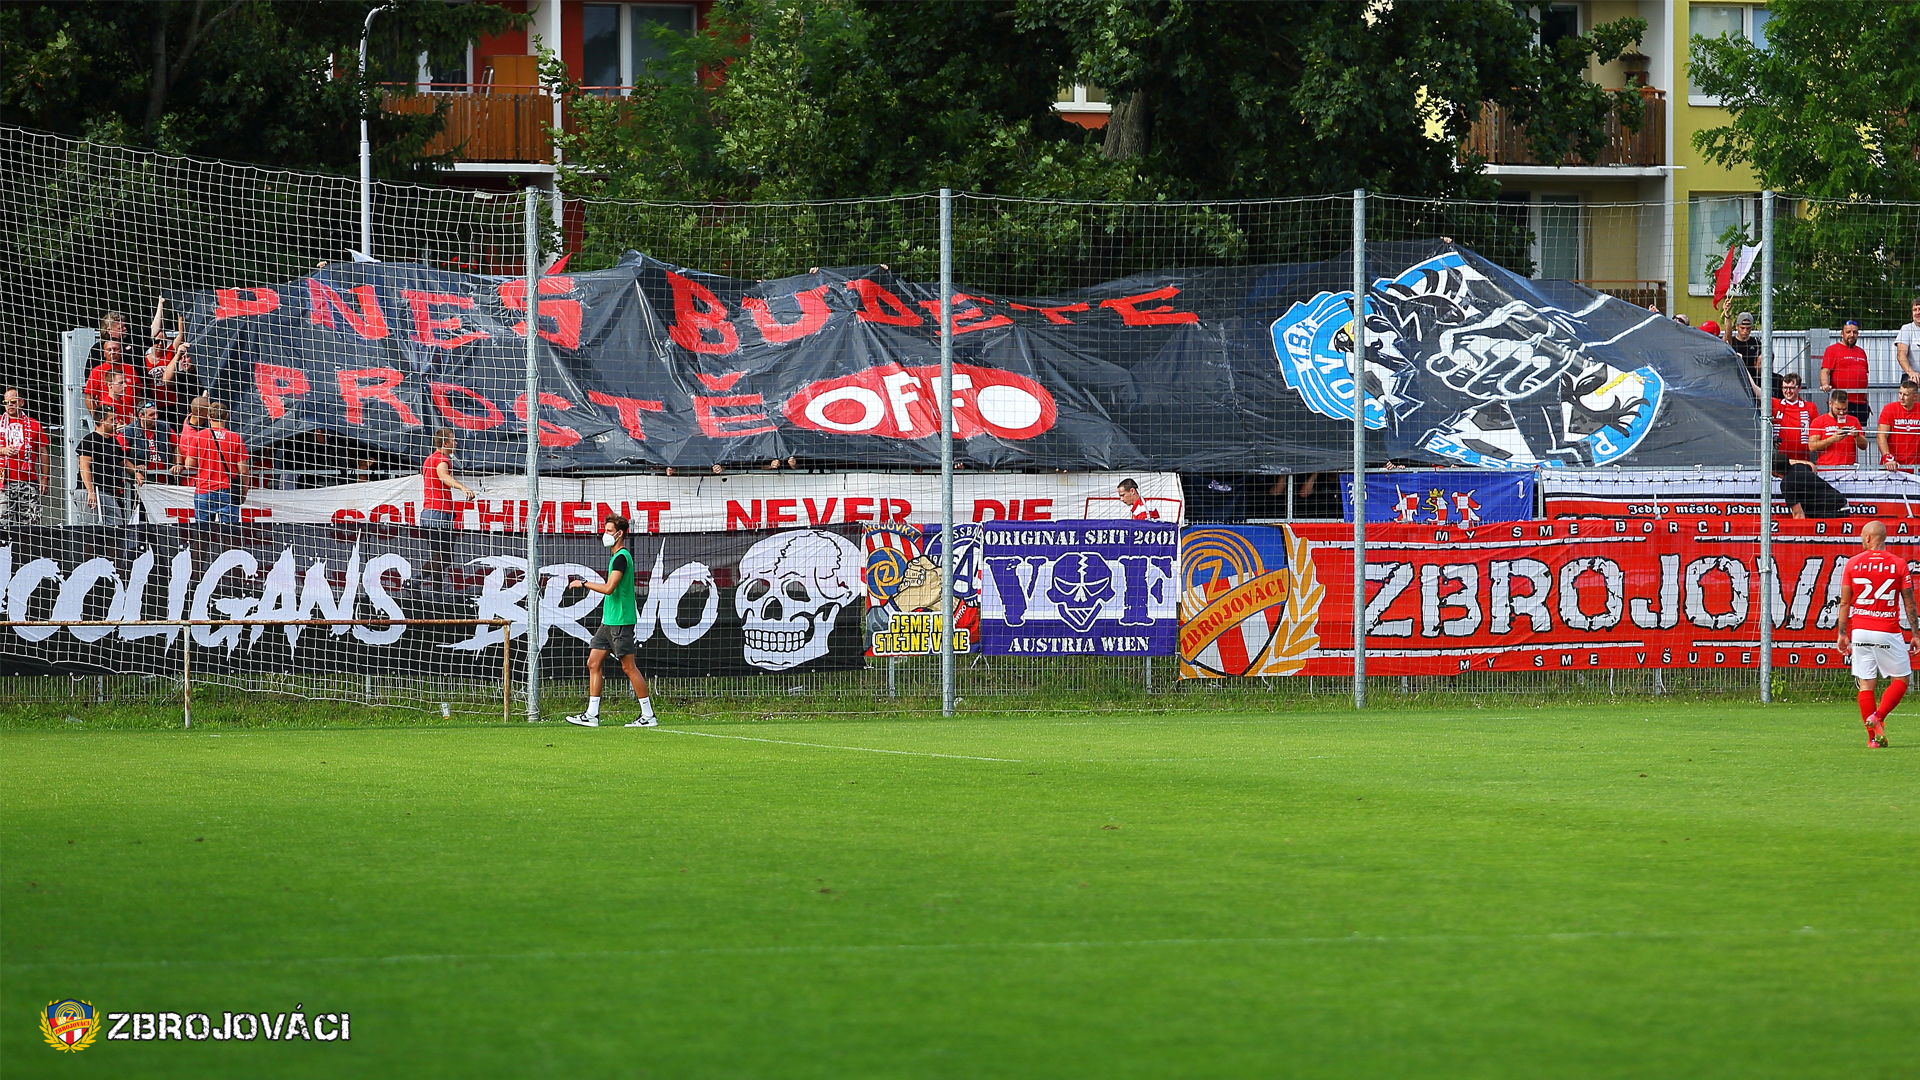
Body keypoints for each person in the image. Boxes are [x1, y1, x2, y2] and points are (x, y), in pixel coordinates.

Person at [564, 514, 657, 728]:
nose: (604, 534)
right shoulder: (615, 557)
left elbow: (609, 588)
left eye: (608, 530)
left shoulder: (622, 557)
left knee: (629, 668)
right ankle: (592, 715)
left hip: (620, 621)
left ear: (619, 533)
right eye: (605, 530)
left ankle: (648, 716)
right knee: (593, 662)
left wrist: (584, 583)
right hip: (609, 622)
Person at [1836, 519, 1915, 748]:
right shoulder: (1898, 563)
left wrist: (1842, 633)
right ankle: (1878, 717)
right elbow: (1909, 603)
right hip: (1887, 629)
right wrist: (1915, 633)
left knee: (1866, 683)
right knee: (1901, 678)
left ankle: (1872, 739)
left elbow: (1844, 602)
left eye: (1863, 536)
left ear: (1869, 538)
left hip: (1860, 630)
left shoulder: (1852, 564)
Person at [179, 400, 248, 524]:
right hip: (228, 491)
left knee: (203, 535)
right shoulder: (236, 438)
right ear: (226, 416)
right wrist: (243, 492)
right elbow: (243, 471)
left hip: (204, 490)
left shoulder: (199, 436)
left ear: (209, 417)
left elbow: (189, 465)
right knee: (231, 536)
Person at [73, 403, 132, 526]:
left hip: (108, 492)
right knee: (92, 532)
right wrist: (90, 491)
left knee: (116, 527)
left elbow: (123, 462)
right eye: (112, 419)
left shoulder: (113, 442)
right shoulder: (89, 441)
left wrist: (136, 472)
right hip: (91, 491)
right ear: (102, 421)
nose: (116, 422)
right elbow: (84, 467)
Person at [1, 387, 49, 527]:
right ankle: (4, 549)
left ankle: (28, 549)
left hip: (28, 481)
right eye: (6, 402)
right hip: (4, 483)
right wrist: (2, 450)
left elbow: (43, 452)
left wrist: (45, 477)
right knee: (3, 524)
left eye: (13, 401)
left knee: (31, 524)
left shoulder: (34, 424)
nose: (9, 405)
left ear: (21, 403)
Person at [143, 298, 195, 422]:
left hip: (172, 403)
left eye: (163, 341)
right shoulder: (144, 360)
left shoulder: (169, 353)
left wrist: (180, 316)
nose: (160, 344)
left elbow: (181, 335)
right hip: (155, 404)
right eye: (157, 341)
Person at [121, 400, 178, 511]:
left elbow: (177, 446)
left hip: (165, 481)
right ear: (141, 416)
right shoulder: (129, 432)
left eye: (156, 413)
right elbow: (119, 456)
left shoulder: (164, 427)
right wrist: (134, 469)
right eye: (151, 415)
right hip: (141, 483)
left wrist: (177, 464)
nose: (155, 417)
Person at [420, 428, 476, 527]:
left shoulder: (429, 459)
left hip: (428, 511)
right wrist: (462, 487)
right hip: (439, 512)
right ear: (445, 444)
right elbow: (443, 476)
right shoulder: (442, 460)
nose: (456, 443)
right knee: (444, 542)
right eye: (453, 440)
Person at [1819, 319, 1871, 424]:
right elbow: (1825, 371)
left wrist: (1866, 400)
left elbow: (1864, 376)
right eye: (1848, 332)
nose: (1852, 335)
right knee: (1842, 434)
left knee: (1859, 435)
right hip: (1842, 404)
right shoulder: (1832, 350)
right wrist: (1825, 384)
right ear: (1842, 334)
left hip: (1860, 403)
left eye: (1855, 332)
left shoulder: (1861, 352)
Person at [1772, 453, 1848, 519]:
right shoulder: (1799, 467)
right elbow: (1812, 466)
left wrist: (1799, 535)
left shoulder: (1786, 484)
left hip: (1833, 512)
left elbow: (1798, 514)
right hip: (1841, 505)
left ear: (1774, 472)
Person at [1810, 389, 1867, 469]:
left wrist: (1857, 436)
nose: (1841, 412)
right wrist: (1833, 439)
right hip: (1826, 469)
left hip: (1848, 469)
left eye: (1844, 409)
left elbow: (1864, 446)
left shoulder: (1853, 420)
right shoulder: (1819, 421)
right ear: (1830, 404)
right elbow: (1812, 446)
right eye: (1838, 409)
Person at [1725, 312, 1777, 399]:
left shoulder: (1757, 344)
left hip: (1754, 382)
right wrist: (1727, 315)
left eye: (1748, 328)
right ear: (1737, 326)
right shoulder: (1731, 343)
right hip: (1735, 381)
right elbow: (1727, 336)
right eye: (1742, 328)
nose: (1745, 331)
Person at [1879, 378, 1920, 470]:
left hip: (1916, 467)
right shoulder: (1889, 409)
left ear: (1915, 397)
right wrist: (1887, 457)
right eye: (1900, 393)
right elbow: (1881, 436)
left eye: (1906, 395)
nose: (1901, 397)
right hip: (1893, 466)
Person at [1772, 373, 1815, 462]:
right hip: (1780, 460)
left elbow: (1815, 433)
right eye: (1785, 388)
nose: (1788, 391)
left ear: (1799, 388)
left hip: (1802, 459)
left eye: (1791, 388)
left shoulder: (1809, 407)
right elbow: (1757, 392)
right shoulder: (1776, 404)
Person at [1897, 296, 1920, 382]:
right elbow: (1901, 355)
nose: (1917, 312)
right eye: (1915, 310)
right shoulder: (1906, 329)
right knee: (1913, 382)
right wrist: (1911, 373)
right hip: (1911, 375)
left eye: (1919, 309)